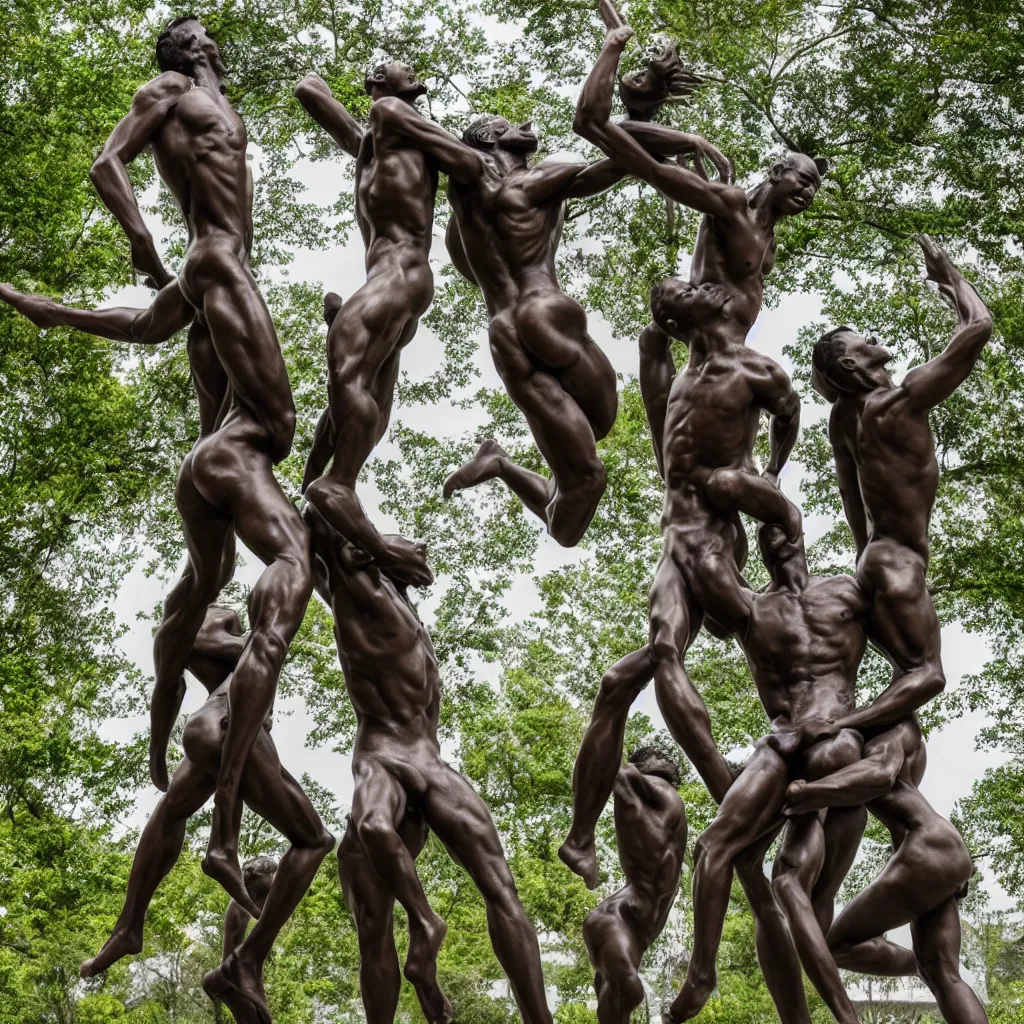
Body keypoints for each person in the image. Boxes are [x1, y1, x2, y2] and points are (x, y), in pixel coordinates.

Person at [0, 16, 317, 911]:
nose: (210, 32)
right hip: (214, 256)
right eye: (195, 28)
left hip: (216, 266)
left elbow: (147, 324)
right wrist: (141, 239)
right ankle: (220, 830)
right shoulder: (170, 94)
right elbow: (108, 165)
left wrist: (50, 306)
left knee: (205, 567)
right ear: (178, 51)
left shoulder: (218, 98)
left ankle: (39, 310)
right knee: (276, 423)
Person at [305, 505, 553, 1024]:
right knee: (373, 895)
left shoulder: (409, 615)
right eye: (387, 543)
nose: (416, 548)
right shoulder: (354, 589)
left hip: (430, 762)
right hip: (380, 758)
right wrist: (376, 544)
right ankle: (424, 923)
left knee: (501, 888)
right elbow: (316, 504)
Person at [80, 607, 334, 1024]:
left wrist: (157, 753)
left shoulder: (178, 632)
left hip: (203, 730)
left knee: (170, 812)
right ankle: (247, 959)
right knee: (315, 840)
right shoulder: (228, 622)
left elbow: (169, 688)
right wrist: (252, 647)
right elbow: (231, 646)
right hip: (229, 726)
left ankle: (129, 926)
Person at [791, 235, 994, 754]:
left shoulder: (842, 419)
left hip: (875, 561)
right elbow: (978, 328)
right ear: (851, 368)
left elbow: (848, 491)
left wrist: (866, 553)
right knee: (926, 674)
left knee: (907, 673)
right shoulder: (900, 402)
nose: (880, 348)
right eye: (865, 346)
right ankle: (839, 728)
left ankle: (864, 734)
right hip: (898, 561)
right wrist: (947, 273)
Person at [294, 64, 470, 587]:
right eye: (402, 69)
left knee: (349, 384)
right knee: (365, 399)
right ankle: (325, 487)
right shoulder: (383, 123)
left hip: (395, 279)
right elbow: (308, 89)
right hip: (399, 281)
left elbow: (310, 86)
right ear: (379, 79)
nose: (416, 72)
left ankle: (333, 484)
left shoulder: (383, 124)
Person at [783, 717, 987, 1024]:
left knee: (838, 945)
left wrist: (809, 792)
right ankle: (919, 964)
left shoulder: (883, 735)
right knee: (943, 973)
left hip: (927, 849)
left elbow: (881, 774)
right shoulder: (904, 740)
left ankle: (915, 964)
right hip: (940, 852)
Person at [582, 745, 687, 1024]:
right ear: (641, 765)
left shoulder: (666, 802)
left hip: (635, 935)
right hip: (616, 921)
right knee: (628, 991)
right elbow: (614, 765)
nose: (665, 757)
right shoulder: (639, 787)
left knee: (620, 1004)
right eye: (656, 755)